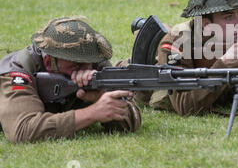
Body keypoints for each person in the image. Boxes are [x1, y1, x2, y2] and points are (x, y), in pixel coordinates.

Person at [0, 17, 141, 143]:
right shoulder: (19, 71)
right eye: (75, 64)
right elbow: (22, 130)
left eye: (87, 63)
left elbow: (130, 122)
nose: (85, 69)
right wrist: (92, 113)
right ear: (49, 62)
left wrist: (101, 96)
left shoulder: (95, 64)